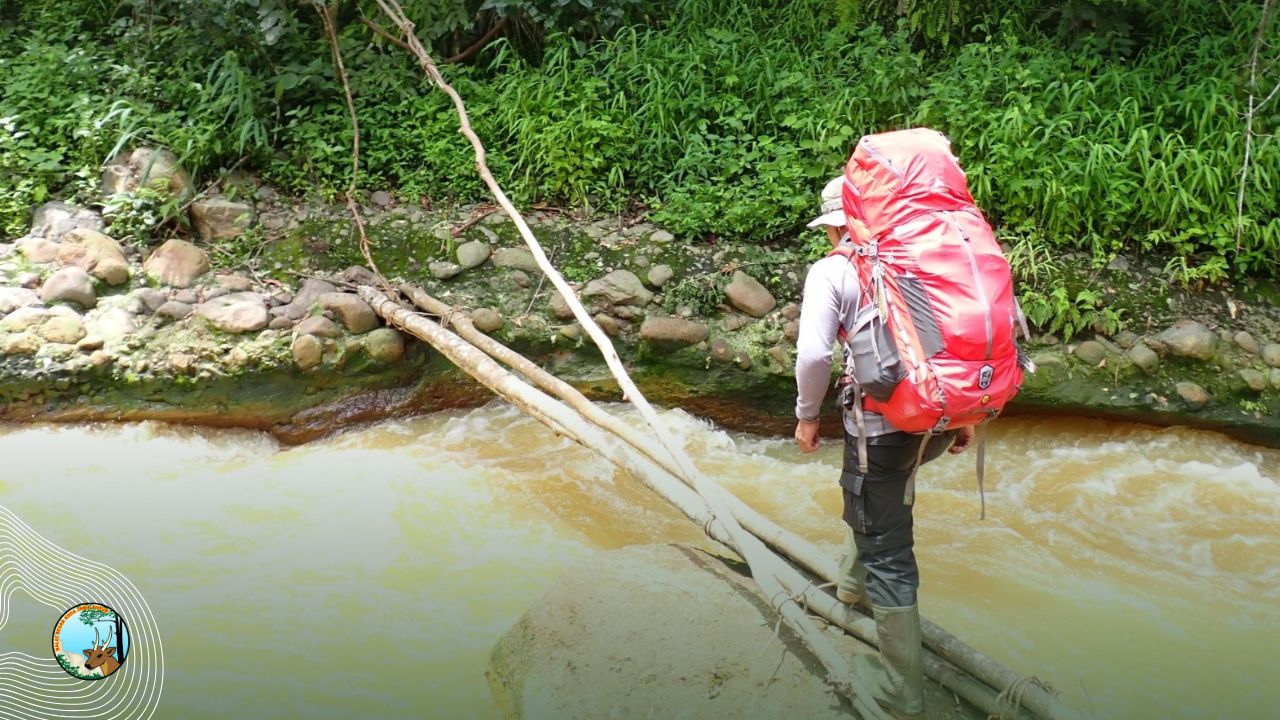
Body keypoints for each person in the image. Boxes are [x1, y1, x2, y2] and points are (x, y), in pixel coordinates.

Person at [793, 175, 974, 719]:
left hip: (880, 432)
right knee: (881, 501)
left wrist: (806, 417)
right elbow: (953, 348)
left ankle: (903, 692)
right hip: (938, 421)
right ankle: (851, 588)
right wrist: (967, 418)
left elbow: (813, 358)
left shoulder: (834, 270)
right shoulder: (923, 263)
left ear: (842, 223)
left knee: (888, 545)